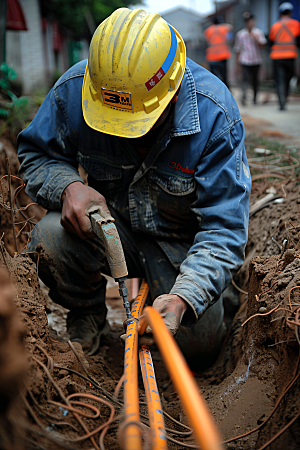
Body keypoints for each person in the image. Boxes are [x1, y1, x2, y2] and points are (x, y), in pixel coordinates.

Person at [17, 8, 251, 370]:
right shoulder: (76, 90)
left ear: (171, 93)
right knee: (50, 237)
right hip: (111, 227)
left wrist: (182, 299)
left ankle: (217, 297)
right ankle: (86, 316)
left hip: (181, 246)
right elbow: (36, 153)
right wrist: (68, 187)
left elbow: (224, 229)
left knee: (197, 347)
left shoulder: (214, 114)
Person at [269, 2, 300, 110]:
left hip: (276, 57)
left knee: (279, 80)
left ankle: (281, 102)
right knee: (288, 78)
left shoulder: (275, 25)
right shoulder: (296, 24)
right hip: (290, 56)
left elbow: (271, 42)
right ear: (290, 12)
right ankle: (284, 99)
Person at [234, 12, 267, 105]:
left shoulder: (258, 32)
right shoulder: (240, 34)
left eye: (251, 21)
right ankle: (244, 96)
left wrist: (255, 38)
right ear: (245, 23)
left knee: (255, 80)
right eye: (248, 22)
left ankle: (255, 98)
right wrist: (237, 64)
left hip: (256, 60)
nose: (250, 23)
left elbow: (263, 44)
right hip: (245, 60)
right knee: (245, 79)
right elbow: (238, 49)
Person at [204, 15, 233, 88]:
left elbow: (207, 40)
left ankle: (216, 92)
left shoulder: (208, 30)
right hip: (223, 55)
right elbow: (230, 29)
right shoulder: (224, 28)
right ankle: (227, 91)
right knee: (224, 76)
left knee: (214, 77)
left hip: (211, 57)